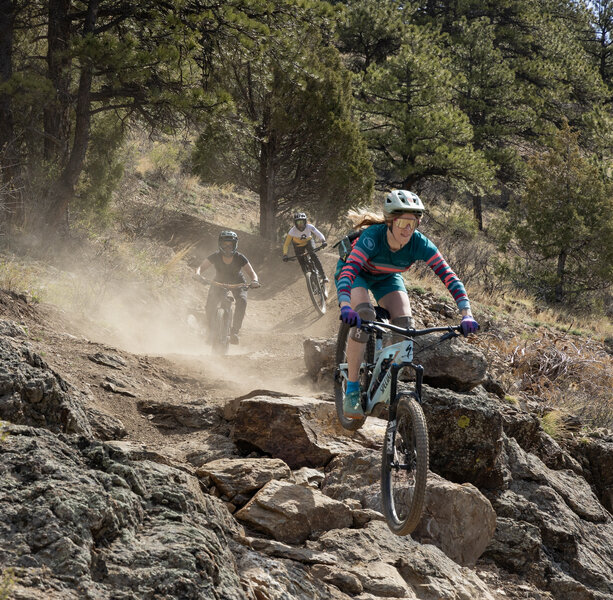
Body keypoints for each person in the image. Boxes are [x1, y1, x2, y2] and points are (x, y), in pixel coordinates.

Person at [335, 190, 479, 418]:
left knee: (406, 325)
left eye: (413, 223)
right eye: (402, 222)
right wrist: (345, 305)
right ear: (391, 222)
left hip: (387, 278)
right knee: (364, 316)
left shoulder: (420, 243)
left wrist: (466, 313)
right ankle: (352, 388)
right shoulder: (373, 237)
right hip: (357, 274)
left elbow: (449, 277)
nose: (407, 229)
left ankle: (384, 378)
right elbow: (350, 271)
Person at [196, 230, 260, 344]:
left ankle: (234, 332)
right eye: (225, 244)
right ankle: (211, 331)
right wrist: (197, 274)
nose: (227, 247)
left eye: (230, 244)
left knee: (242, 301)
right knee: (209, 305)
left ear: (235, 245)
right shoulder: (215, 256)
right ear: (220, 244)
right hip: (219, 282)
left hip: (238, 282)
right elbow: (201, 267)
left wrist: (255, 281)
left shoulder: (240, 257)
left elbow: (252, 273)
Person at [282, 212, 329, 282]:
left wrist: (323, 241)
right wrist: (285, 254)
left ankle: (323, 276)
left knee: (314, 256)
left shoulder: (310, 227)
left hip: (308, 242)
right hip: (298, 246)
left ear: (305, 221)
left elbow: (318, 233)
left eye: (302, 222)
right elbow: (286, 244)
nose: (300, 224)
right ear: (295, 223)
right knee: (302, 262)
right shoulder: (292, 231)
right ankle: (310, 281)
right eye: (298, 222)